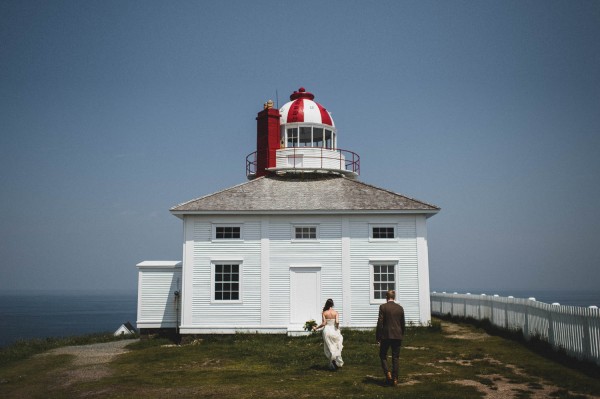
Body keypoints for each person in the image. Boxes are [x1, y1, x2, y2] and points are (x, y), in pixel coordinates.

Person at [376, 290, 406, 386]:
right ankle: (395, 379)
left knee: (382, 355)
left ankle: (388, 373)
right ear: (394, 297)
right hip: (397, 335)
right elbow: (403, 324)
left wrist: (378, 336)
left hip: (386, 335)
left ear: (386, 297)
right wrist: (402, 334)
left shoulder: (383, 307)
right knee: (395, 357)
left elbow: (380, 322)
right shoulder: (400, 308)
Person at [312, 298, 344, 370]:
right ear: (332, 304)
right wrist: (337, 328)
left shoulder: (324, 313)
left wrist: (316, 328)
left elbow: (324, 323)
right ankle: (335, 361)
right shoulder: (336, 313)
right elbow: (337, 322)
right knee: (336, 346)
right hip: (334, 329)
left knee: (329, 346)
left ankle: (332, 361)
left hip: (327, 330)